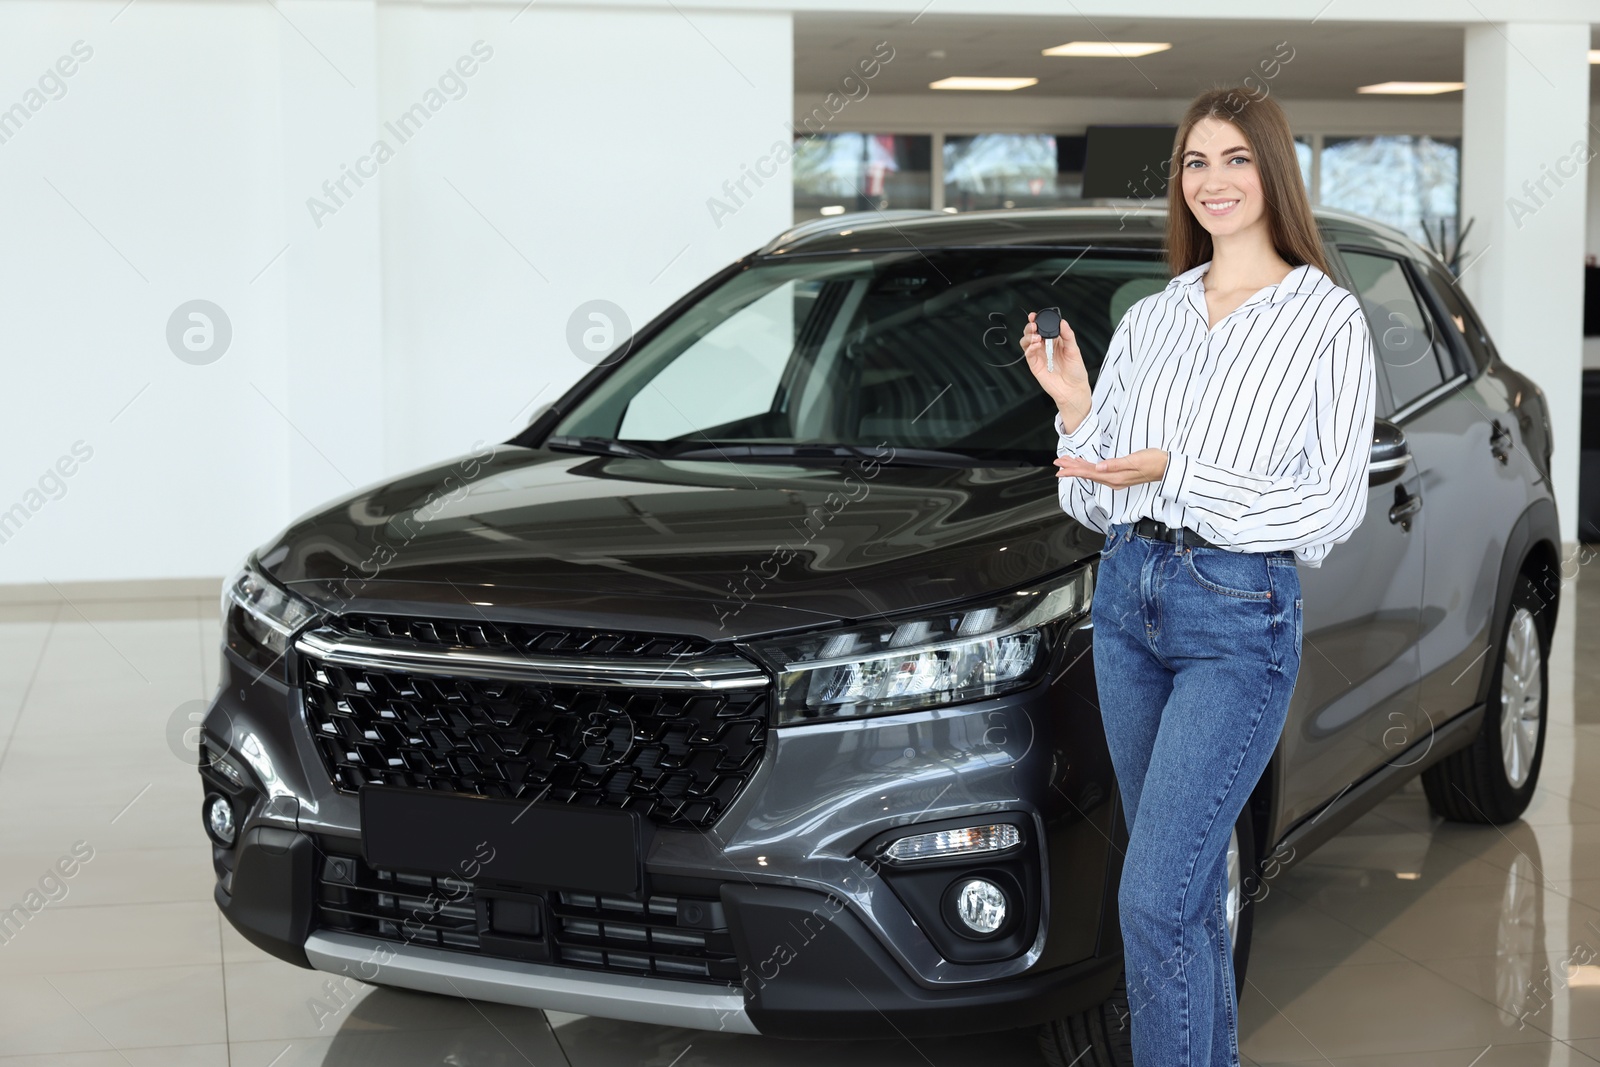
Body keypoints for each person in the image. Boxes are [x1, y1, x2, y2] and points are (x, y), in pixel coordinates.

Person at [1020, 86, 1376, 1065]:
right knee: (1189, 894)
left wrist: (1180, 470)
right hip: (1128, 600)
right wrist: (1076, 410)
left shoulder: (1326, 321)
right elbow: (1097, 499)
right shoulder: (1154, 318)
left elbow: (1331, 507)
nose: (1211, 181)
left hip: (1236, 612)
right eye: (1193, 162)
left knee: (1153, 894)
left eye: (1234, 160)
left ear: (1273, 175)